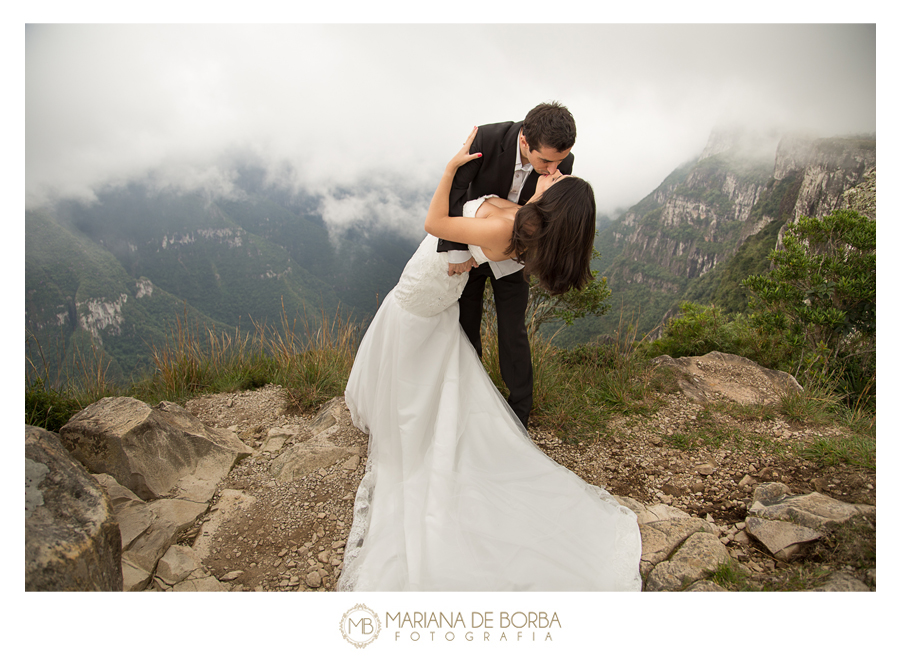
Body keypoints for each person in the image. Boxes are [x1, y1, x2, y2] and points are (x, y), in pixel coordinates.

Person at [337, 127, 642, 592]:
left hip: (425, 285)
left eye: (557, 177)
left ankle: (410, 418)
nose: (556, 173)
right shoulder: (526, 220)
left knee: (412, 336)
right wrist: (472, 256)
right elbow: (495, 236)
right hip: (448, 275)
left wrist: (448, 170)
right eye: (551, 169)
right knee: (440, 348)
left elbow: (435, 224)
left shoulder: (512, 224)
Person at [438, 102, 576, 428]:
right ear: (525, 141)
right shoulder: (485, 138)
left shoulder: (561, 159)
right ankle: (467, 404)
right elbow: (455, 191)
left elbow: (548, 217)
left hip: (514, 256)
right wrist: (457, 253)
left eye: (560, 161)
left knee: (513, 332)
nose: (553, 168)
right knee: (465, 328)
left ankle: (519, 416)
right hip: (470, 249)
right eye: (546, 160)